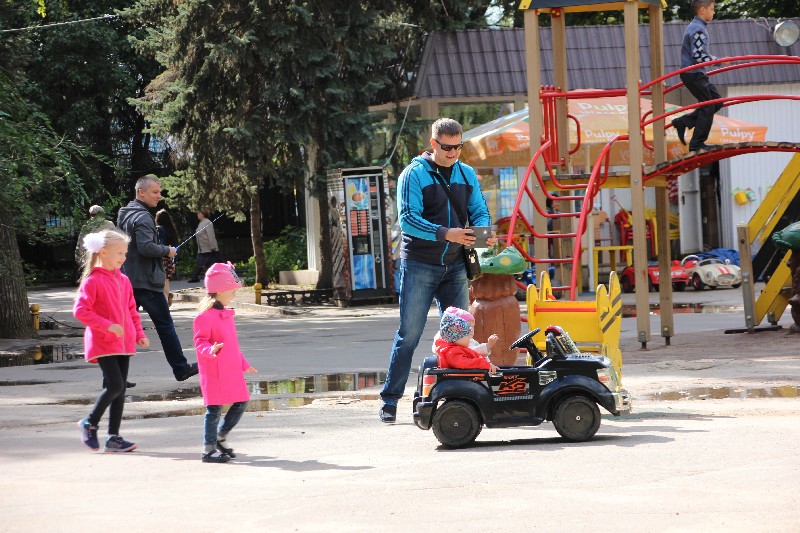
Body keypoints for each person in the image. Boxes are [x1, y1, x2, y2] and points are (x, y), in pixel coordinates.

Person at [379, 117, 496, 423]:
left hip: (456, 264)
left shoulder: (466, 173)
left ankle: (458, 396)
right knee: (410, 334)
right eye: (447, 147)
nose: (453, 153)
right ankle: (390, 400)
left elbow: (479, 209)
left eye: (458, 147)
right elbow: (407, 219)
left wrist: (483, 230)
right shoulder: (413, 174)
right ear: (433, 144)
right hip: (419, 263)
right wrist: (447, 233)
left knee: (460, 335)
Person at [117, 175, 198, 382]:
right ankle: (181, 368)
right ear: (141, 192)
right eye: (155, 192)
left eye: (159, 192)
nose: (159, 196)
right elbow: (146, 248)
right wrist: (167, 250)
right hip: (147, 283)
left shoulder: (124, 213)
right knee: (165, 327)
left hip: (128, 279)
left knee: (124, 328)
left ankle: (114, 377)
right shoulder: (143, 217)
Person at [73, 230, 149, 452]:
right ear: (103, 252)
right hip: (103, 342)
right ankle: (89, 422)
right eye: (119, 253)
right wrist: (106, 325)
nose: (123, 257)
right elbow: (80, 311)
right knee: (115, 385)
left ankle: (113, 438)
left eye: (125, 253)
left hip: (124, 343)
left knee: (120, 389)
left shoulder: (123, 280)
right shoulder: (93, 281)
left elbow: (131, 311)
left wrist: (139, 334)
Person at [193, 262, 257, 463]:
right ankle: (208, 449)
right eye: (232, 290)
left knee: (242, 401)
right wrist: (210, 350)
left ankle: (220, 436)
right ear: (220, 290)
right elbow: (200, 341)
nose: (235, 294)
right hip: (214, 370)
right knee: (214, 410)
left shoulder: (226, 314)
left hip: (231, 369)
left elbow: (233, 345)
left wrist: (243, 363)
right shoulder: (205, 317)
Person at [671, 0, 723, 152]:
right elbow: (698, 57)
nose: (714, 12)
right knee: (708, 106)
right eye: (712, 9)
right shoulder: (698, 29)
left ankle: (683, 122)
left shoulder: (697, 26)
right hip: (693, 73)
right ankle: (697, 143)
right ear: (702, 10)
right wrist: (718, 61)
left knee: (717, 102)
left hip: (696, 73)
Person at [434, 307, 499, 373]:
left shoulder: (455, 347)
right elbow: (465, 363)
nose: (469, 339)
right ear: (457, 337)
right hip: (461, 380)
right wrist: (484, 364)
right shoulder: (452, 351)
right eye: (467, 335)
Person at [155, 209, 179, 304]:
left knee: (159, 281)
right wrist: (175, 261)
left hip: (161, 258)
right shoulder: (172, 230)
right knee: (166, 281)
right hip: (170, 260)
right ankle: (166, 297)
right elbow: (176, 247)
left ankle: (163, 301)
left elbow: (160, 243)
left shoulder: (158, 229)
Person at [188, 211, 220, 283]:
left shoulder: (207, 222)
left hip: (208, 248)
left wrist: (213, 247)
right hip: (202, 249)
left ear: (203, 214)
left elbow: (211, 235)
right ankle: (195, 277)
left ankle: (217, 276)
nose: (197, 215)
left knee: (210, 264)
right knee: (200, 263)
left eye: (198, 213)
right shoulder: (201, 223)